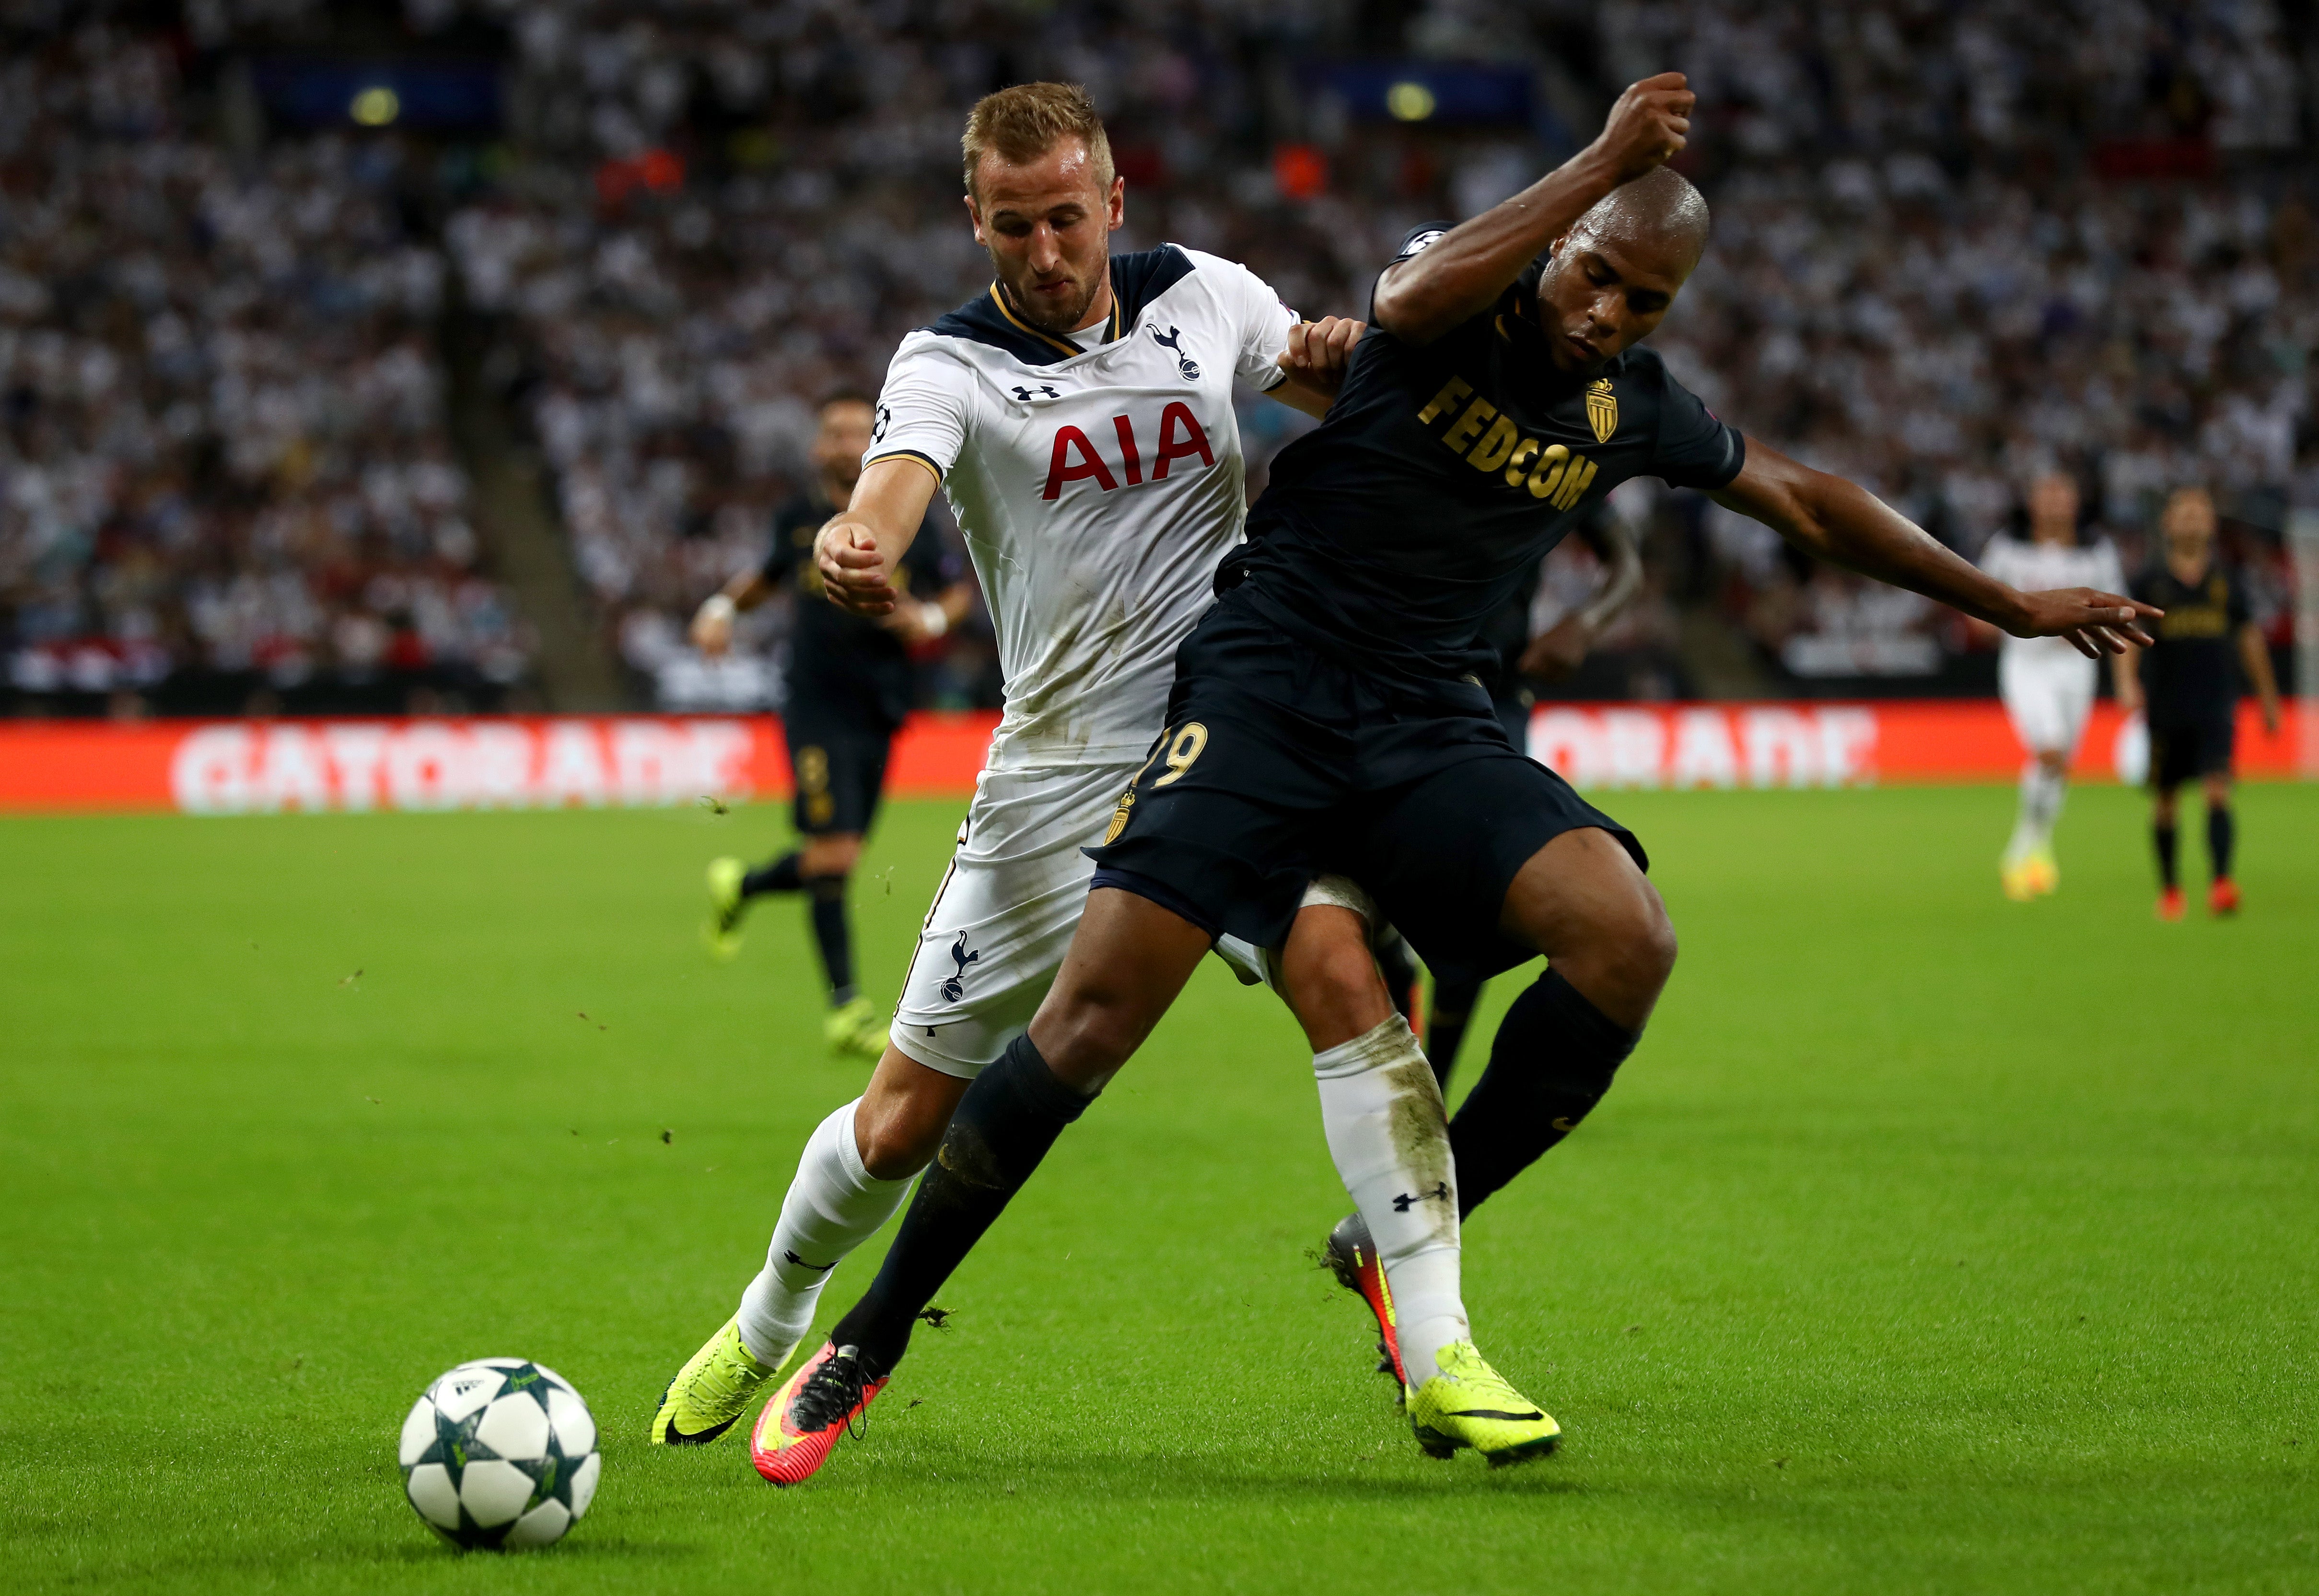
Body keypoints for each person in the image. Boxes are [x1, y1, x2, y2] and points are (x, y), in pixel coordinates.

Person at [772, 71, 2161, 1474]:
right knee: (1089, 1022)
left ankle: (1394, 1254)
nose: (1606, 314)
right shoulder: (1450, 310)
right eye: (1595, 277)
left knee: (1623, 934)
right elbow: (1402, 301)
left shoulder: (1629, 406)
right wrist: (1602, 157)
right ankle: (864, 1340)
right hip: (1263, 687)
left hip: (1426, 716)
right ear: (1558, 249)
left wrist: (2010, 599)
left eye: (1644, 301)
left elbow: (1801, 497)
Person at [650, 82, 1413, 1472]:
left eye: (1067, 217)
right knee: (897, 1122)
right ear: (975, 222)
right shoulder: (945, 361)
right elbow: (890, 484)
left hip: (1229, 744)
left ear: (1112, 202)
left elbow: (1346, 393)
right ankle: (773, 1317)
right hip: (1054, 777)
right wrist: (854, 542)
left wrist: (1352, 358)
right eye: (1014, 227)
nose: (1046, 251)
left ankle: (1433, 1338)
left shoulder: (1204, 294)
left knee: (1351, 978)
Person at [692, 394, 977, 1059]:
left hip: (881, 706)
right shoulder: (800, 519)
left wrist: (931, 621)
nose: (847, 442)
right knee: (837, 854)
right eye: (834, 432)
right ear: (819, 447)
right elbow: (763, 579)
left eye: (857, 429)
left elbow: (954, 589)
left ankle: (743, 885)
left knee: (835, 856)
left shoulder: (907, 516)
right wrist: (718, 609)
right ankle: (846, 1009)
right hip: (814, 703)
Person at [1423, 501, 1641, 1087]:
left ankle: (1431, 1084)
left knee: (1472, 893)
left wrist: (1587, 621)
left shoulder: (1560, 441)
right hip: (1394, 681)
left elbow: (1625, 561)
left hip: (1495, 697)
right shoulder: (1403, 420)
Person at [2113, 486, 2281, 920]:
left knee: (2217, 789)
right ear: (2167, 522)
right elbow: (2129, 638)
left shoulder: (2228, 582)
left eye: (2198, 512)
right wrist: (2127, 683)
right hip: (2165, 707)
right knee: (2166, 800)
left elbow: (2249, 640)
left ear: (2211, 523)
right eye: (2182, 512)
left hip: (2215, 706)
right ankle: (2170, 889)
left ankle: (2221, 882)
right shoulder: (2149, 582)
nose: (2190, 519)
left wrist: (2267, 698)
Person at [1976, 471, 2126, 901]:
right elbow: (1980, 595)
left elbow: (2118, 609)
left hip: (2078, 667)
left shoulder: (2095, 550)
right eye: (2048, 492)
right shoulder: (2008, 546)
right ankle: (2027, 844)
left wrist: (2125, 680)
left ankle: (2034, 843)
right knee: (2049, 748)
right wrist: (1980, 622)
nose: (2056, 501)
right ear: (2033, 500)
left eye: (2064, 492)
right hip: (2026, 664)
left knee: (2059, 764)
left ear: (2077, 501)